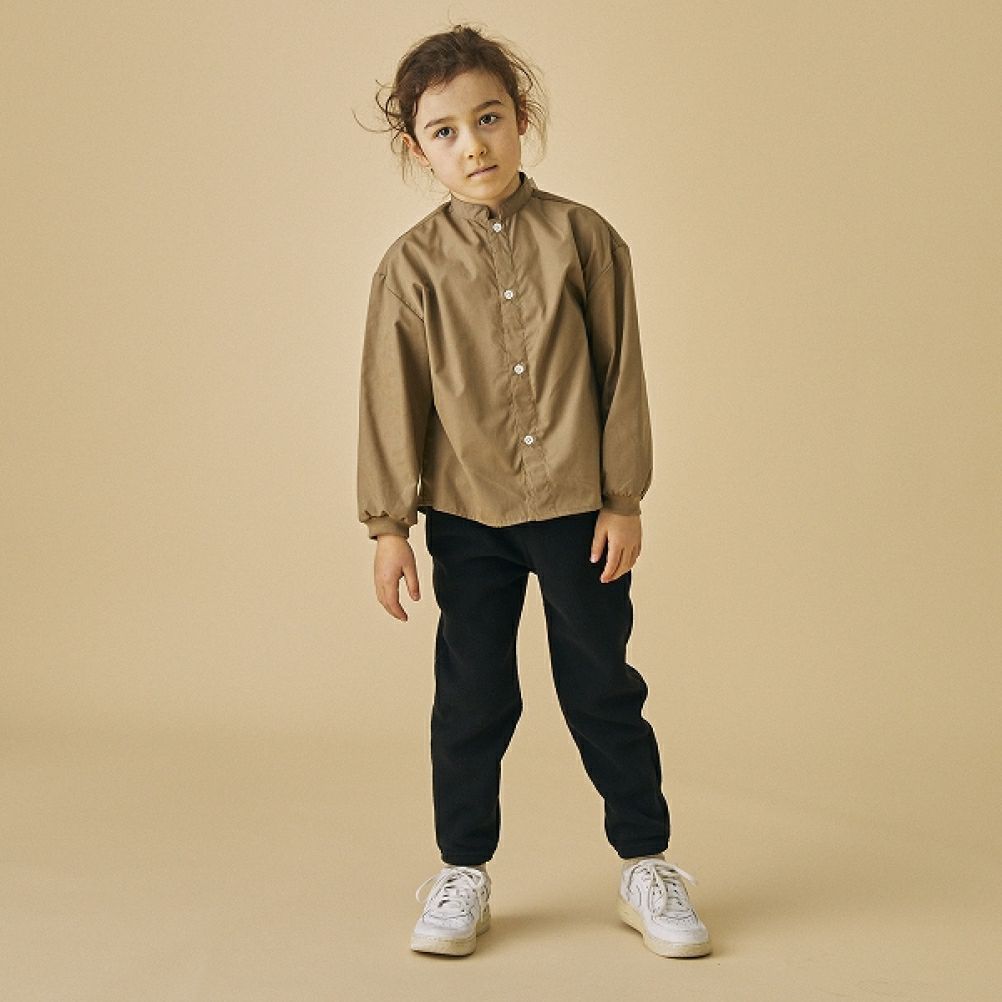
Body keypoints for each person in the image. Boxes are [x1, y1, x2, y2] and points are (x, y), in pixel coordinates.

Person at [355, 23, 711, 959]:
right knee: (473, 695)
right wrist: (389, 527)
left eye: (489, 119)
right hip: (466, 515)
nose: (473, 145)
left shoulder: (585, 239)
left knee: (602, 685)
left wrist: (624, 498)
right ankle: (463, 870)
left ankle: (647, 862)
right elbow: (391, 400)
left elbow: (621, 372)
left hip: (579, 514)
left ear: (520, 120)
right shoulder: (409, 268)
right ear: (417, 150)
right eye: (444, 131)